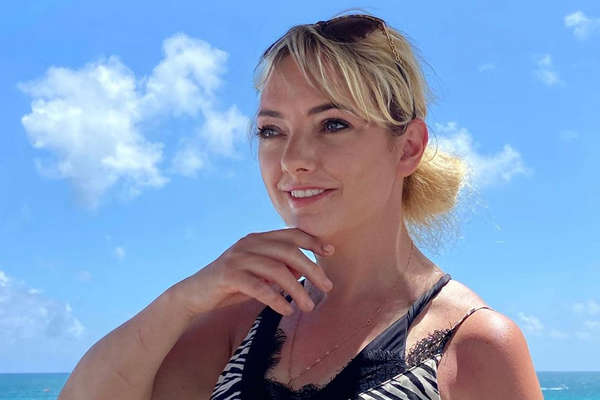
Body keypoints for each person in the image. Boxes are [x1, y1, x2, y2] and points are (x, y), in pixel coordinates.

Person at [59, 13, 543, 400]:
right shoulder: (241, 321)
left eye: (332, 124)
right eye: (271, 131)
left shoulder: (471, 344)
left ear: (408, 147)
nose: (292, 160)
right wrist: (181, 300)